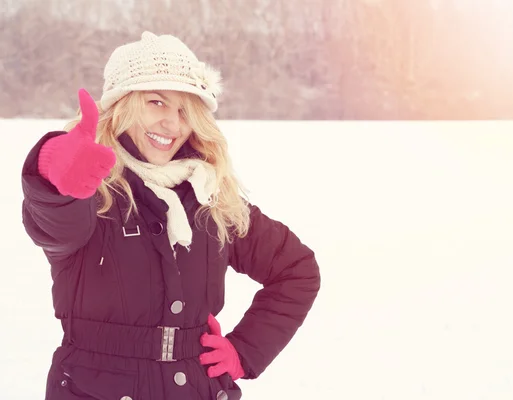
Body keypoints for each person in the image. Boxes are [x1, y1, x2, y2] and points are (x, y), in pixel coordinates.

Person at [21, 31, 321, 400]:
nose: (173, 124)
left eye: (184, 110)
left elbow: (296, 270)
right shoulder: (93, 195)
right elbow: (53, 221)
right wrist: (54, 171)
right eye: (156, 102)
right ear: (122, 106)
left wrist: (244, 351)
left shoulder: (211, 199)